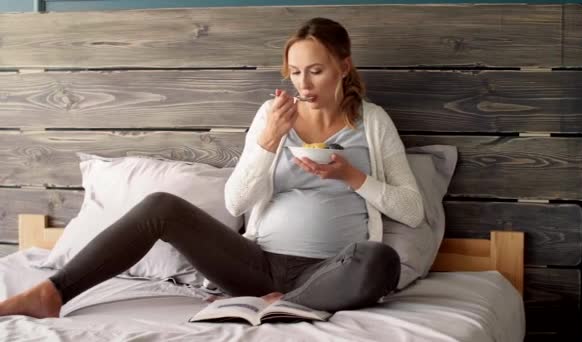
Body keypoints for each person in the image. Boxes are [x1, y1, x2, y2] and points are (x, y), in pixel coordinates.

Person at [0, 17, 423, 318]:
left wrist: (351, 176)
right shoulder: (271, 115)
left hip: (333, 269)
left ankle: (293, 301)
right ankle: (52, 292)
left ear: (343, 67)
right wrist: (268, 141)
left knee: (379, 259)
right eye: (295, 72)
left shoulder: (373, 123)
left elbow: (411, 210)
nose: (304, 85)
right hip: (258, 266)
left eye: (316, 71)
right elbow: (235, 201)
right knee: (160, 206)